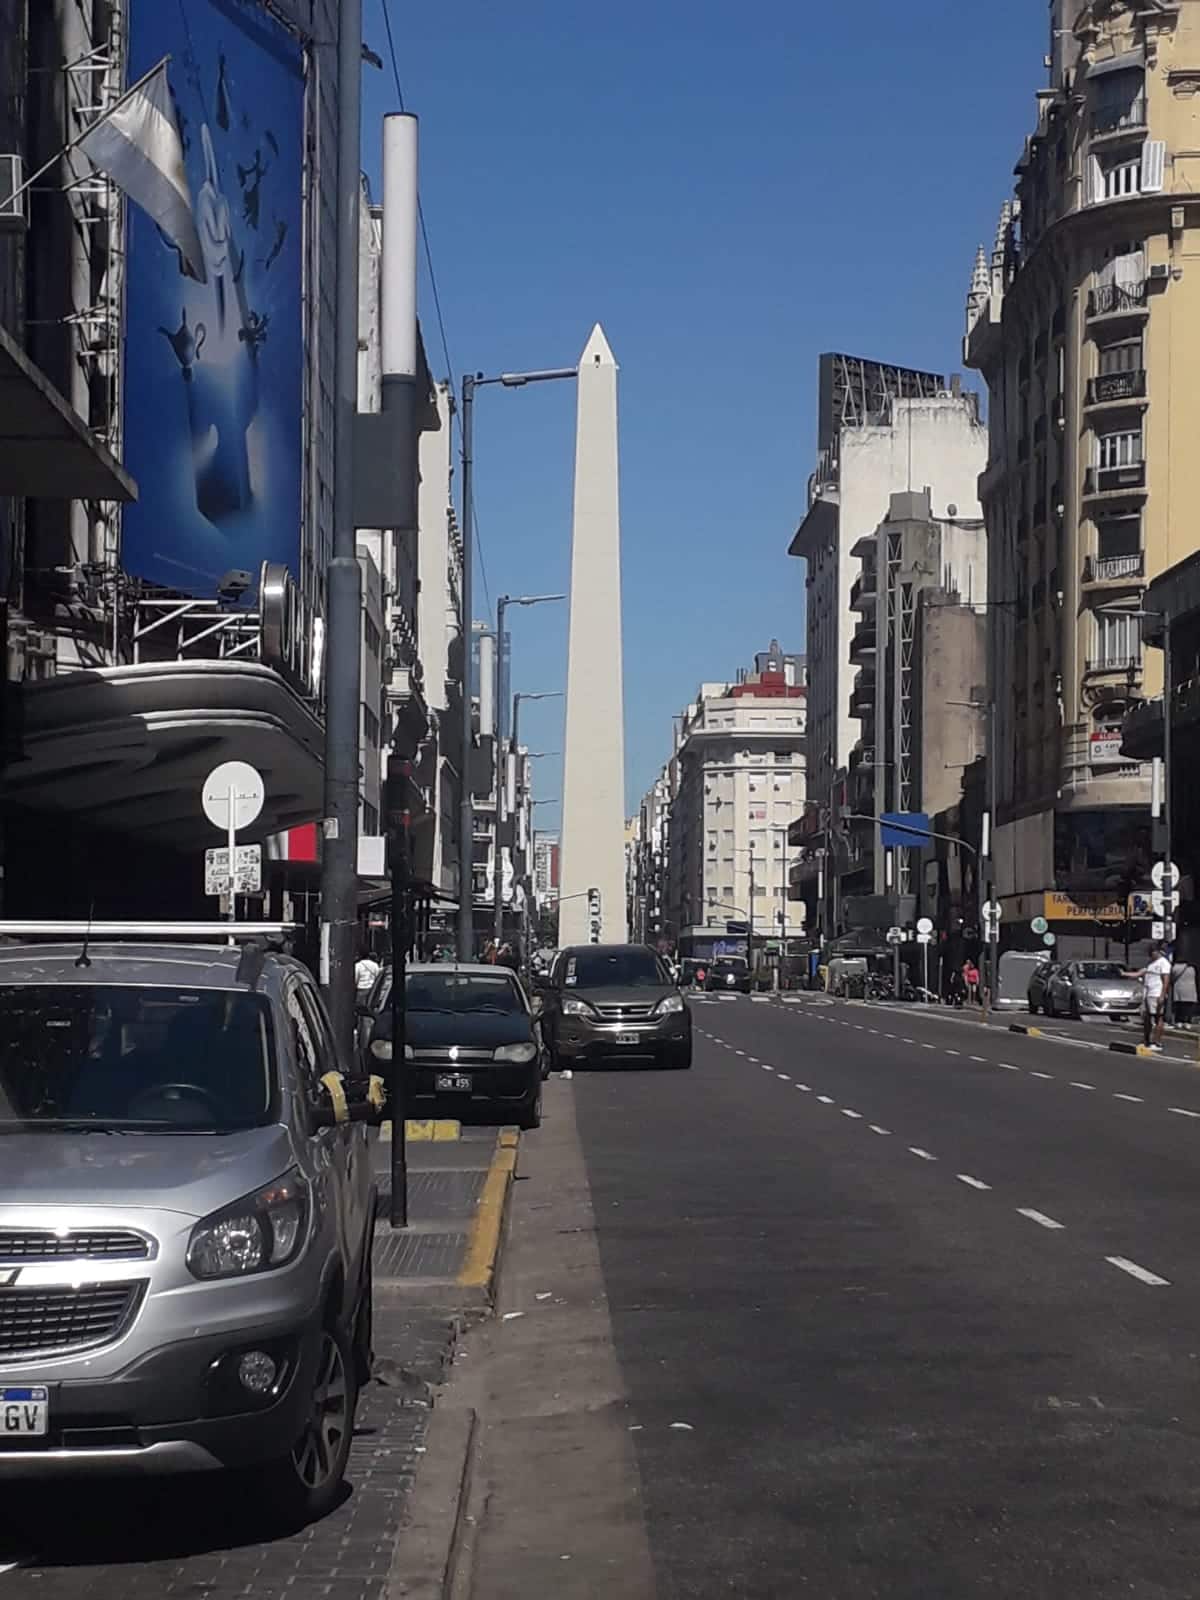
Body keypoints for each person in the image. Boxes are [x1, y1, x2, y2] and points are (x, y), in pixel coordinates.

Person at [1128, 943, 1172, 1050]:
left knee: (1157, 1017)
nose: (1150, 955)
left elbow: (1166, 980)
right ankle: (1147, 1040)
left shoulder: (1163, 963)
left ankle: (1156, 1042)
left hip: (1156, 993)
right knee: (1147, 1018)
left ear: (1157, 951)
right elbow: (1140, 973)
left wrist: (1162, 995)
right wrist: (1124, 974)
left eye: (1151, 952)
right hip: (1148, 993)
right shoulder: (1150, 963)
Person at [1171, 955, 1197, 1027]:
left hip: (1179, 990)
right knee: (1189, 1007)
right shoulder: (1192, 968)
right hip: (1191, 990)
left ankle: (1179, 1021)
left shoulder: (1175, 967)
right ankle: (1188, 1022)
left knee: (1179, 1007)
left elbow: (1172, 978)